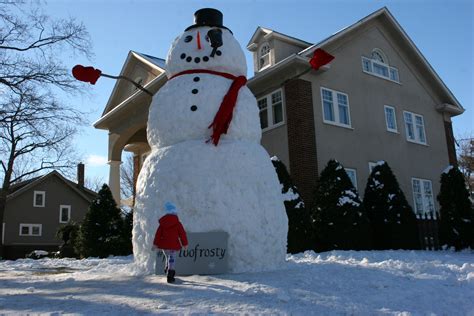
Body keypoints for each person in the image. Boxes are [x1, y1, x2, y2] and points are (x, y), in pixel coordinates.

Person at [152, 202, 188, 283]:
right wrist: (185, 244)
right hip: (174, 245)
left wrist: (155, 244)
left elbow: (158, 235)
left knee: (168, 257)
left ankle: (167, 268)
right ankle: (170, 275)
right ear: (175, 212)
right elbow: (182, 234)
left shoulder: (162, 224)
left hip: (165, 245)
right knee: (172, 259)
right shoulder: (178, 224)